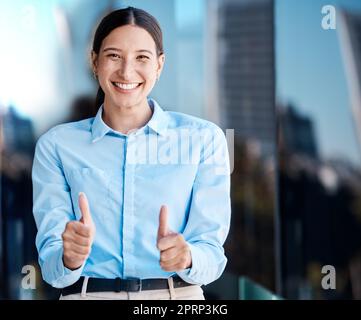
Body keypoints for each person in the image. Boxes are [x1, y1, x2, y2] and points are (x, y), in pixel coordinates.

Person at [32, 7, 231, 300]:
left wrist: (187, 256)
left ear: (159, 66)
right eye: (114, 56)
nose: (127, 71)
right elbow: (51, 267)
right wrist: (69, 257)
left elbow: (212, 255)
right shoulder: (56, 146)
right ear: (94, 61)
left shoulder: (203, 140)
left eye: (142, 58)